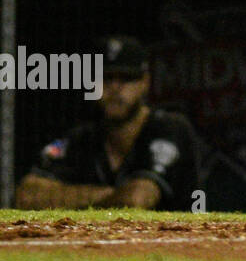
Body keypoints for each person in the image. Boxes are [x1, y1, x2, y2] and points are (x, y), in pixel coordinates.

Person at [15, 36, 201, 211]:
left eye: (126, 78)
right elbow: (26, 195)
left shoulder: (170, 127)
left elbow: (137, 199)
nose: (115, 88)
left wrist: (73, 196)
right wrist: (111, 195)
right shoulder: (82, 137)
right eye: (106, 77)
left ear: (145, 82)